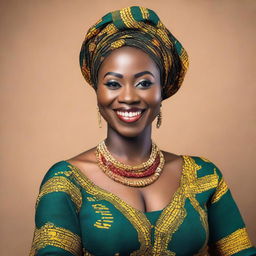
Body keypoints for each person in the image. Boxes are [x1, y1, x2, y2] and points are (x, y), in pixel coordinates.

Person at [29, 6, 256, 256]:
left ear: (162, 90)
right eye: (113, 83)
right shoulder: (66, 181)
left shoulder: (205, 177)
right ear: (97, 90)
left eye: (144, 83)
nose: (128, 97)